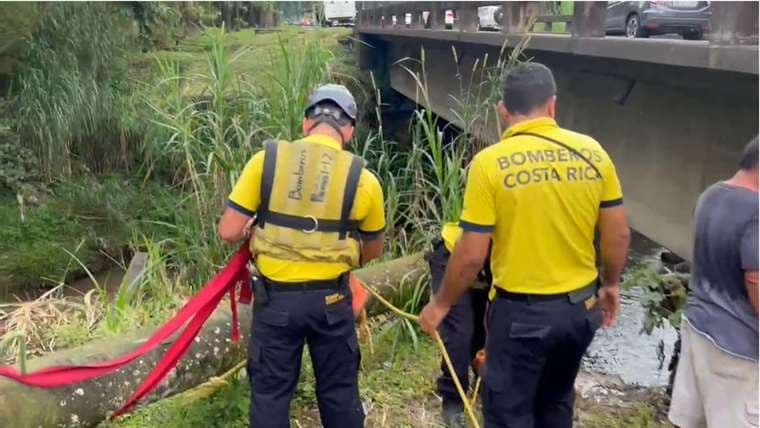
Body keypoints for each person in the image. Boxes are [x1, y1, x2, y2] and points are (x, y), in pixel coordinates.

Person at [419, 62, 631, 428]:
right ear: (553, 106)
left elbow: (471, 256)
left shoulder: (489, 165)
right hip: (580, 310)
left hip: (521, 317)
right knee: (556, 401)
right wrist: (611, 285)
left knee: (508, 412)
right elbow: (618, 235)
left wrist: (440, 305)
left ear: (503, 112)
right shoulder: (593, 153)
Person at [218, 84, 385, 428]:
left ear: (305, 123)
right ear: (349, 131)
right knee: (339, 392)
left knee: (271, 394)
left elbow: (228, 231)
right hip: (332, 301)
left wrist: (257, 231)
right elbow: (373, 250)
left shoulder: (267, 160)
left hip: (276, 303)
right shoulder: (364, 179)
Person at [668, 137, 759, 428]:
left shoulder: (711, 195)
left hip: (698, 328)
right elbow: (756, 279)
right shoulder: (757, 210)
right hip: (737, 349)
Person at [427, 222, 490, 427]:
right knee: (459, 335)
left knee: (486, 329)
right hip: (455, 260)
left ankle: (484, 384)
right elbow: (471, 257)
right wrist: (439, 304)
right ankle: (453, 399)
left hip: (491, 266)